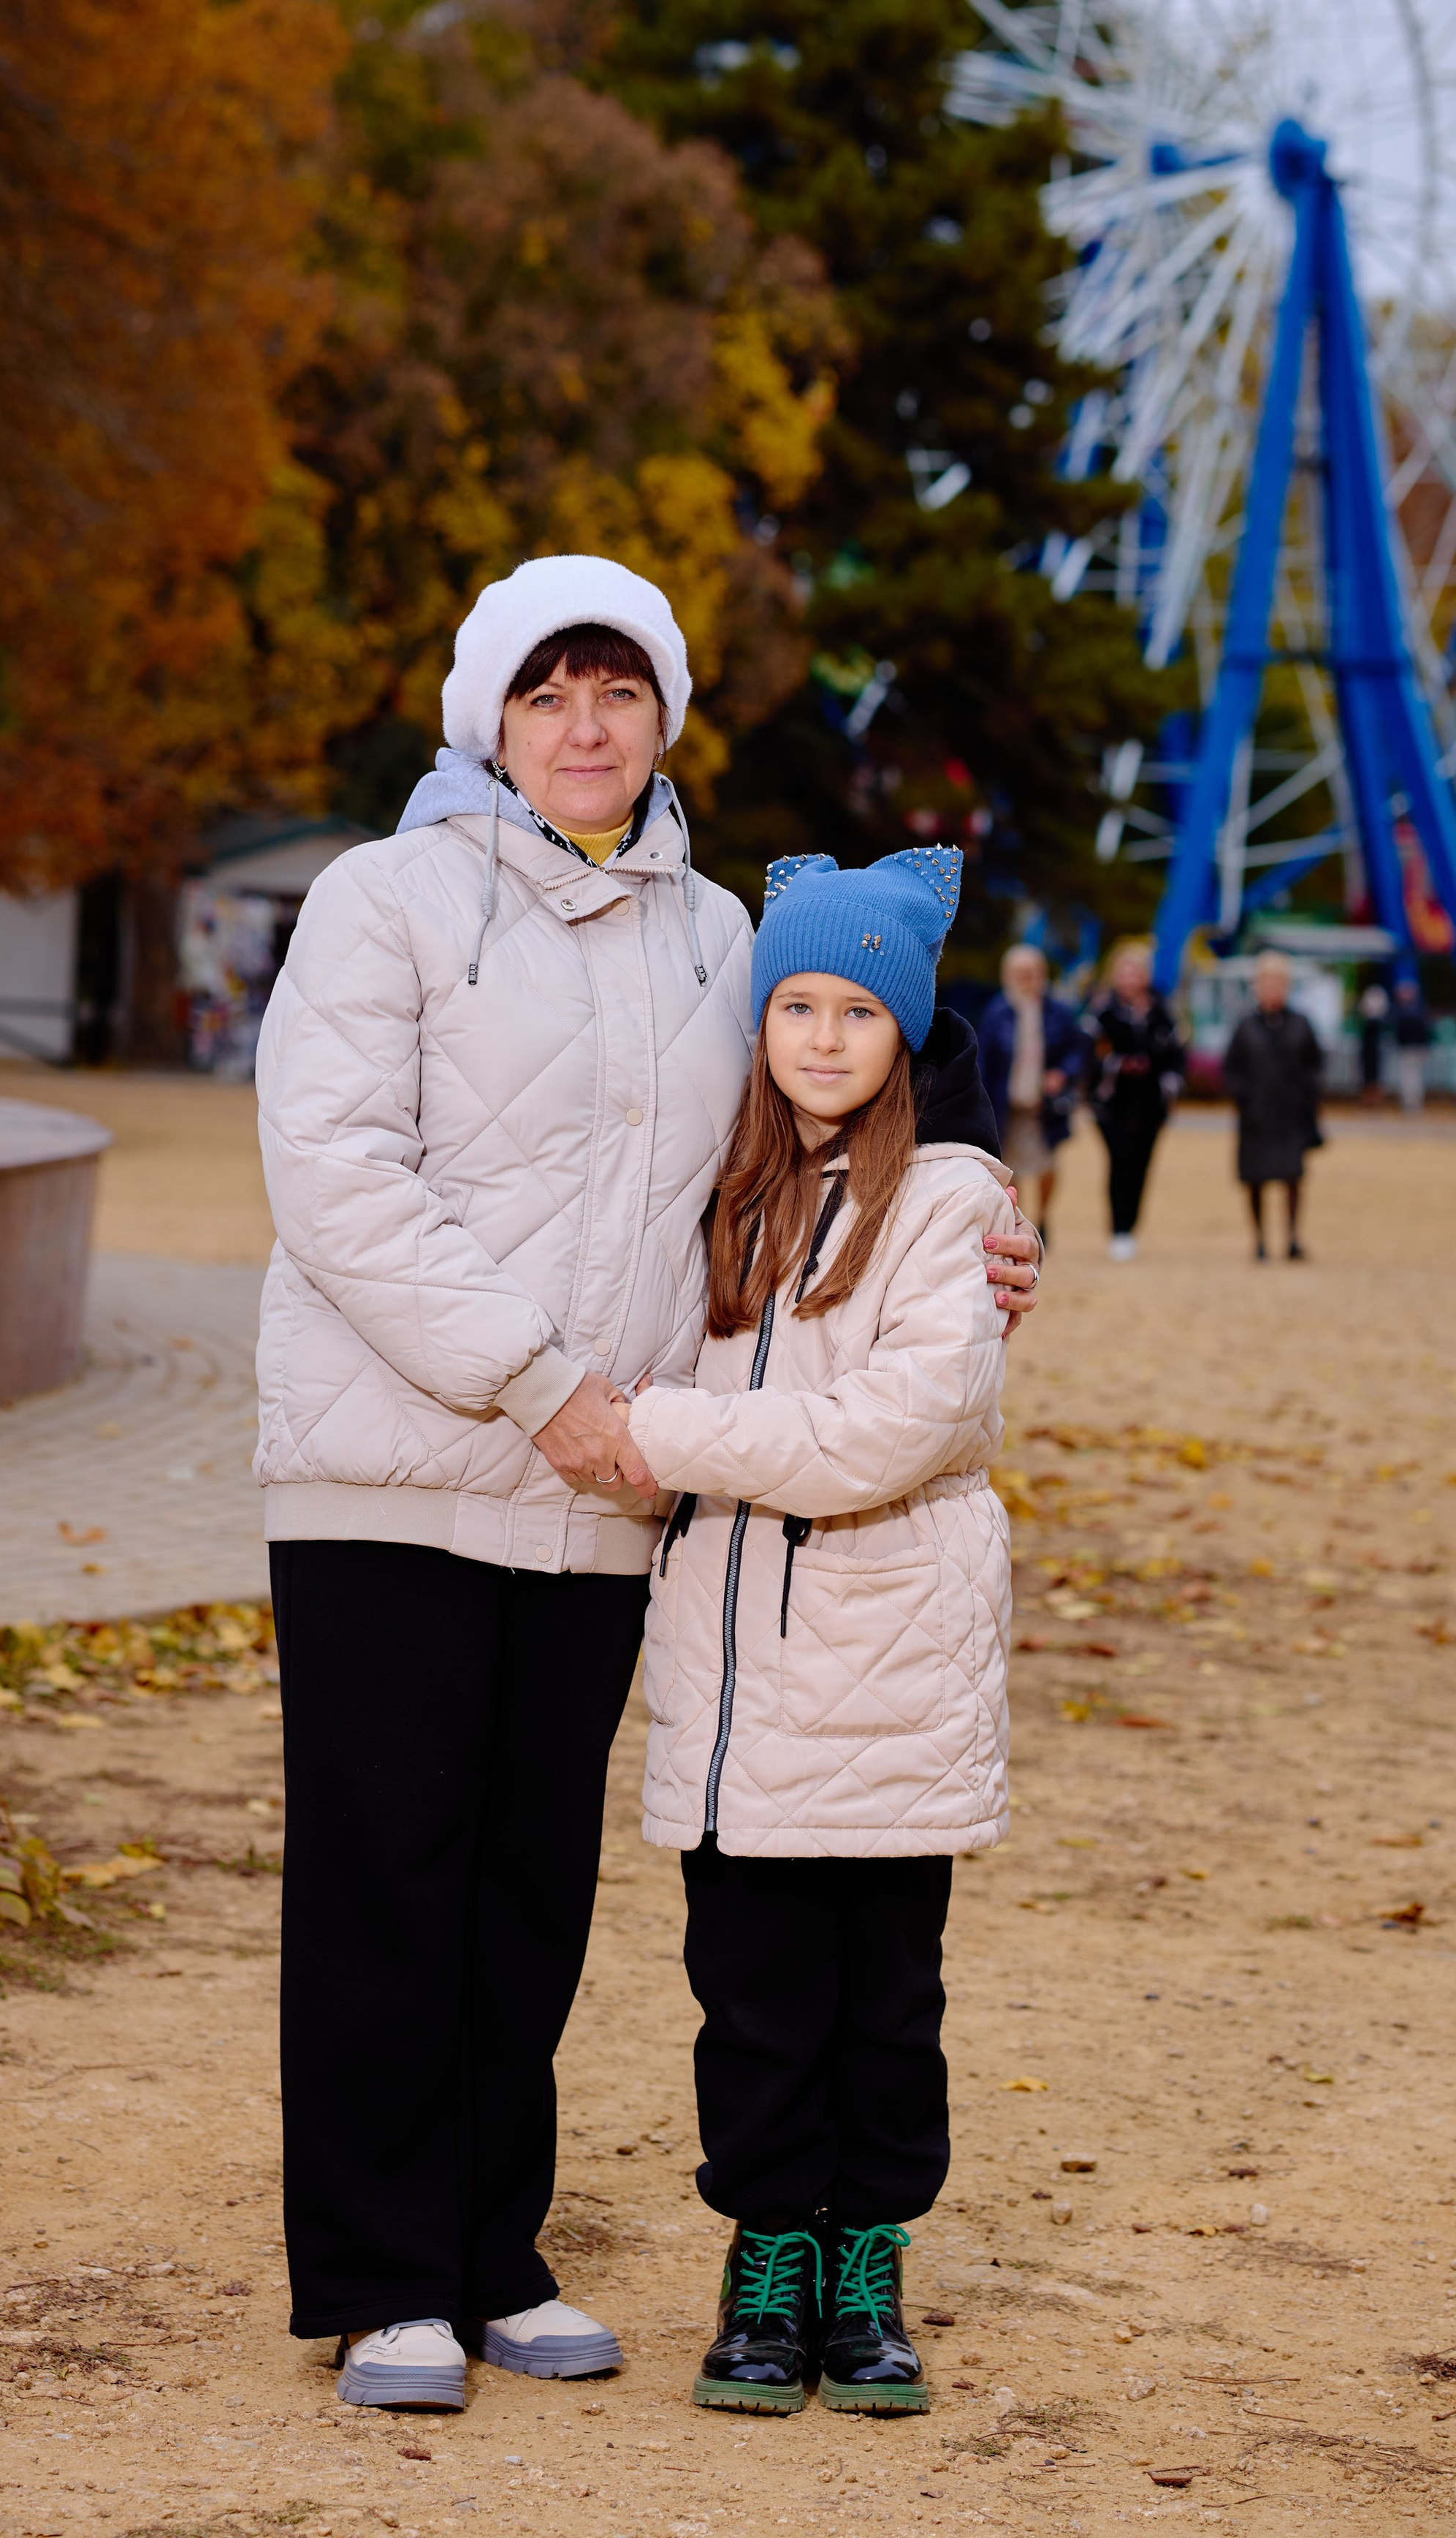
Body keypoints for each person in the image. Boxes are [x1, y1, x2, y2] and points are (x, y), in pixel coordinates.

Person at [251, 555, 1041, 2416]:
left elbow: (815, 1118)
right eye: (548, 695)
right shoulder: (386, 900)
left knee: (528, 1887)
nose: (584, 727)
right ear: (489, 718)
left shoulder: (712, 934)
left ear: (662, 716)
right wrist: (538, 1386)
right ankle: (381, 2276)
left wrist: (975, 1219)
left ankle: (487, 2247)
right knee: (387, 1873)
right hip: (395, 1469)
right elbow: (340, 1176)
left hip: (608, 1491)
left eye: (617, 693)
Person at [624, 847, 1012, 2421]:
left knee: (884, 1999)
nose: (825, 1037)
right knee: (751, 1993)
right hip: (735, 1690)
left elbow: (877, 1435)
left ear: (907, 1031)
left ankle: (868, 2261)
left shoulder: (951, 1204)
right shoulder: (719, 1198)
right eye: (796, 1003)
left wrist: (653, 1432)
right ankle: (768, 2255)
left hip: (887, 1674)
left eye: (860, 1008)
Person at [1079, 941, 1185, 1261]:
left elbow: (1178, 1055)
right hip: (1111, 1105)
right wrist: (1115, 1065)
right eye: (1124, 972)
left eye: (1136, 972)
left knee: (1141, 1165)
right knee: (1119, 1161)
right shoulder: (1102, 1011)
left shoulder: (1162, 1011)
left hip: (1151, 1105)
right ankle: (1118, 1229)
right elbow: (1086, 1054)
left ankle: (1131, 1227)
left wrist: (1169, 1084)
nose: (1130, 978)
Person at [975, 941, 1083, 1242]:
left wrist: (1062, 1074)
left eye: (1032, 972)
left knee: (1047, 1164)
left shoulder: (1057, 1012)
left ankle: (1046, 1217)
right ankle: (1021, 1222)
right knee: (1013, 1168)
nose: (1027, 979)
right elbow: (984, 1061)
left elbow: (1077, 1050)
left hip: (1044, 1104)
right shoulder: (997, 1012)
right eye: (1019, 973)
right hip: (1007, 1103)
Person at [1222, 951, 1324, 1261]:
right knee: (1255, 1180)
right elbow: (1231, 1069)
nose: (1272, 989)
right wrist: (1246, 1098)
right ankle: (1260, 1241)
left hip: (1291, 1115)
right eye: (1266, 983)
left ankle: (1292, 1238)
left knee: (1292, 1177)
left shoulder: (1301, 1025)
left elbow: (1315, 1065)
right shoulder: (1246, 1026)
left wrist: (1306, 1098)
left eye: (1278, 983)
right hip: (1256, 1117)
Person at [1392, 976, 1431, 1114]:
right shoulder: (1419, 1009)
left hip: (1409, 1048)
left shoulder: (1403, 1012)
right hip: (1414, 1048)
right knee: (1414, 1078)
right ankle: (1413, 1104)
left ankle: (1411, 1104)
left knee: (1410, 1078)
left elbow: (1400, 1032)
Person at [1357, 980, 1390, 1106]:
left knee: (1373, 1077)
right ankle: (1369, 1099)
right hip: (1371, 1054)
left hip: (1373, 1054)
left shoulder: (1375, 1025)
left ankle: (1373, 1099)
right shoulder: (1373, 1025)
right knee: (1370, 1077)